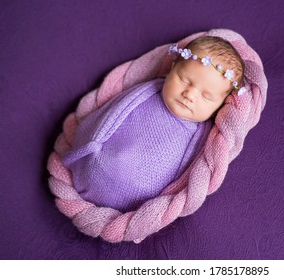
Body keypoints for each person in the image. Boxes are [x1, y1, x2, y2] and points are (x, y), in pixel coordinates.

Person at [62, 36, 245, 212]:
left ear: (220, 105)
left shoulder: (202, 136)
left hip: (137, 203)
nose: (189, 95)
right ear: (172, 68)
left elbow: (185, 179)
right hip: (93, 164)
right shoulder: (148, 91)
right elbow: (110, 114)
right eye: (184, 80)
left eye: (206, 96)